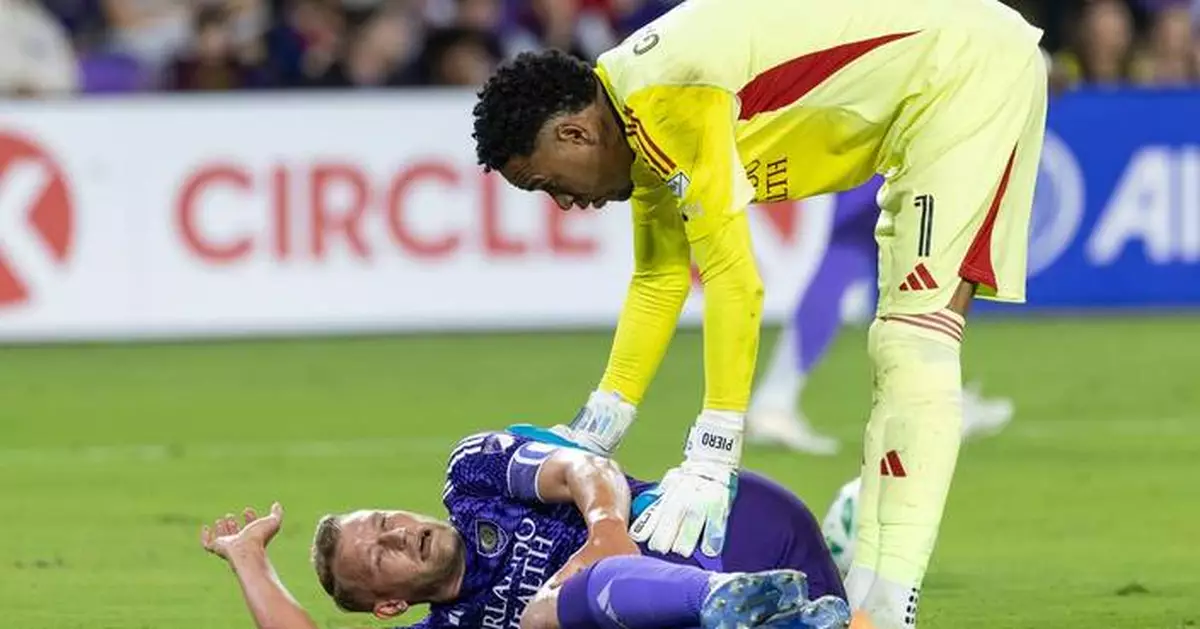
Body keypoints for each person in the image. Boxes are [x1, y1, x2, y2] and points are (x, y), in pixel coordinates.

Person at [470, 0, 1048, 626]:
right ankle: (868, 598)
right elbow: (660, 277)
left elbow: (734, 279)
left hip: (964, 71)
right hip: (926, 93)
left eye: (543, 183)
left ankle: (885, 609)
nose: (560, 202)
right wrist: (597, 427)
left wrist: (713, 453)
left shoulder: (666, 97)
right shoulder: (631, 106)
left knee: (914, 339)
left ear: (575, 134)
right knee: (902, 342)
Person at [199, 431, 849, 629]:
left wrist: (604, 529)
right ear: (390, 604)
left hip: (717, 528)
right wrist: (247, 555)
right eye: (380, 557)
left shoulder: (474, 478)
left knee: (543, 615)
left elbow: (584, 465)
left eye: (385, 521)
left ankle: (722, 595)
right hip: (790, 594)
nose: (399, 535)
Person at [746, 179, 1015, 456]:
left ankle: (774, 401)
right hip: (902, 152)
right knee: (923, 263)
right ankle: (937, 404)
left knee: (852, 251)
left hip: (864, 150)